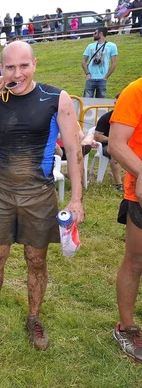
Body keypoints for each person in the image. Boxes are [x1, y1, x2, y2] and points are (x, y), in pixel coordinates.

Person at [0, 41, 85, 351]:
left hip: (39, 193)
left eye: (24, 65)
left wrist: (76, 198)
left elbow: (75, 150)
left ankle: (34, 317)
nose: (17, 73)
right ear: (1, 69)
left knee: (36, 259)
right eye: (10, 67)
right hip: (1, 191)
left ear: (34, 64)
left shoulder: (56, 98)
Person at [108, 76, 142, 362]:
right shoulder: (136, 90)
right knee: (136, 260)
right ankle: (127, 327)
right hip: (141, 194)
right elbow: (116, 144)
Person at [94, 94, 124, 191]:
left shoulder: (134, 116)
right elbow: (97, 136)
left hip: (130, 145)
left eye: (118, 103)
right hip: (108, 145)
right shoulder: (106, 117)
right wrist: (112, 139)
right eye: (115, 103)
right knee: (116, 151)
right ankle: (118, 184)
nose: (115, 105)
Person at [81, 27, 118, 99]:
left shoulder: (112, 46)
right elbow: (83, 61)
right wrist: (87, 74)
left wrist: (106, 77)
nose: (93, 35)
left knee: (100, 101)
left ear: (101, 34)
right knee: (86, 101)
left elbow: (113, 63)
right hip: (90, 78)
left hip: (102, 79)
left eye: (95, 33)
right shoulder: (90, 46)